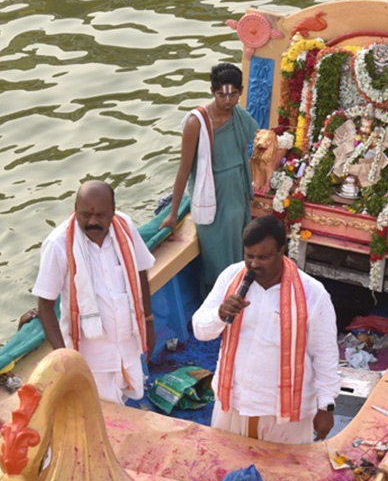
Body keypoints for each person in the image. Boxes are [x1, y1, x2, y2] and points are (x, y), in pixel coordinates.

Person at [192, 215, 340, 444]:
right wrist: (220, 315)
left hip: (285, 413)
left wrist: (326, 407)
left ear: (282, 251)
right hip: (232, 402)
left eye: (263, 257)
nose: (254, 264)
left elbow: (325, 355)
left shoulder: (313, 293)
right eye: (249, 256)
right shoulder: (231, 277)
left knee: (283, 476)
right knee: (226, 470)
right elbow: (200, 330)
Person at [33, 180, 156, 404]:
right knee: (102, 415)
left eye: (100, 215)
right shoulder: (57, 244)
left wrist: (148, 322)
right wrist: (65, 361)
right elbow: (45, 306)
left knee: (133, 397)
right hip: (91, 357)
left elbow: (140, 271)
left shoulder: (124, 226)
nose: (92, 222)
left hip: (127, 345)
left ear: (112, 211)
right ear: (75, 210)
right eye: (85, 215)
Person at [159, 62, 260, 291]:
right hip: (211, 196)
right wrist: (173, 214)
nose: (227, 101)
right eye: (221, 95)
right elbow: (184, 169)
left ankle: (238, 298)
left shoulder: (239, 115)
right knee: (216, 262)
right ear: (212, 92)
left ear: (240, 92)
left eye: (233, 94)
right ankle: (215, 306)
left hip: (237, 192)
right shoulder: (197, 123)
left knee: (240, 252)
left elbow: (255, 143)